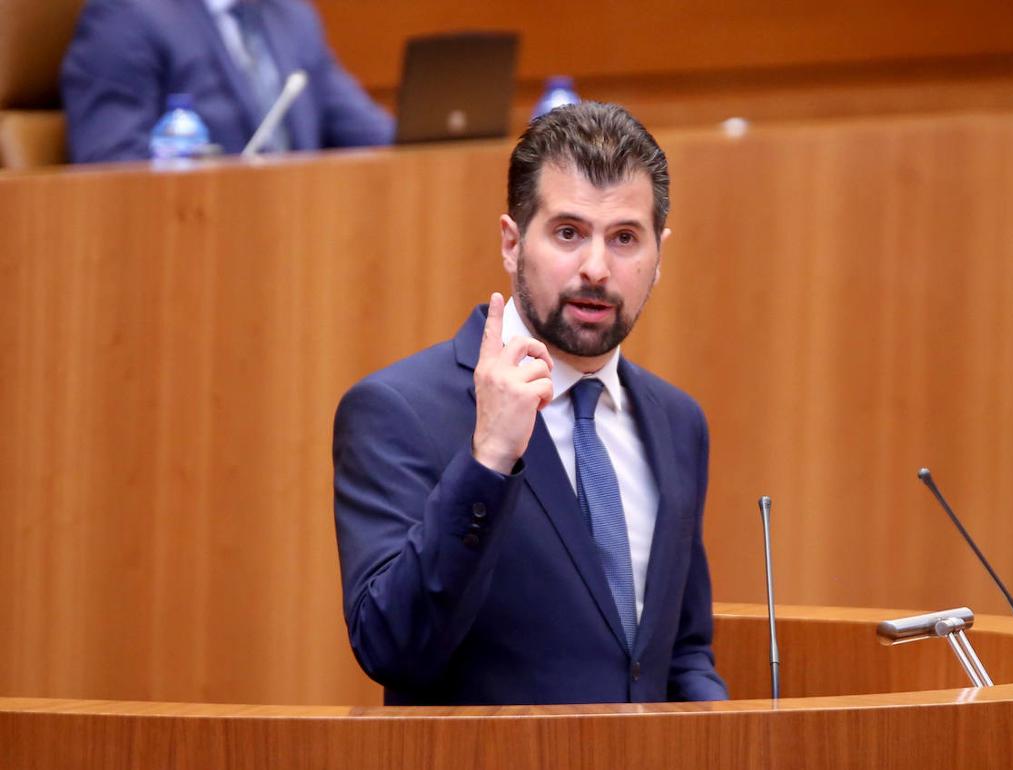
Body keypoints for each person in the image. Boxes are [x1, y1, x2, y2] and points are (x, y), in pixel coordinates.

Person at [332, 102, 729, 706]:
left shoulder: (678, 422)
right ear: (512, 243)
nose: (596, 268)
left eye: (625, 238)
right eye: (568, 233)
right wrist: (487, 458)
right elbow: (392, 648)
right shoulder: (397, 411)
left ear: (659, 257)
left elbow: (681, 650)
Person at [60, 0, 393, 163]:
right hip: (195, 242)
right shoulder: (126, 16)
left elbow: (370, 131)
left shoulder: (291, 15)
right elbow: (111, 166)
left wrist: (434, 131)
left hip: (303, 231)